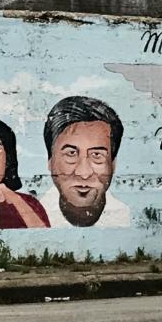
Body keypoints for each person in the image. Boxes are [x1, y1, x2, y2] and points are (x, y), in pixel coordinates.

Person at [40, 96, 130, 227]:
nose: (84, 173)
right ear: (50, 161)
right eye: (71, 154)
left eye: (96, 155)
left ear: (113, 164)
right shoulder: (30, 217)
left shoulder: (125, 217)